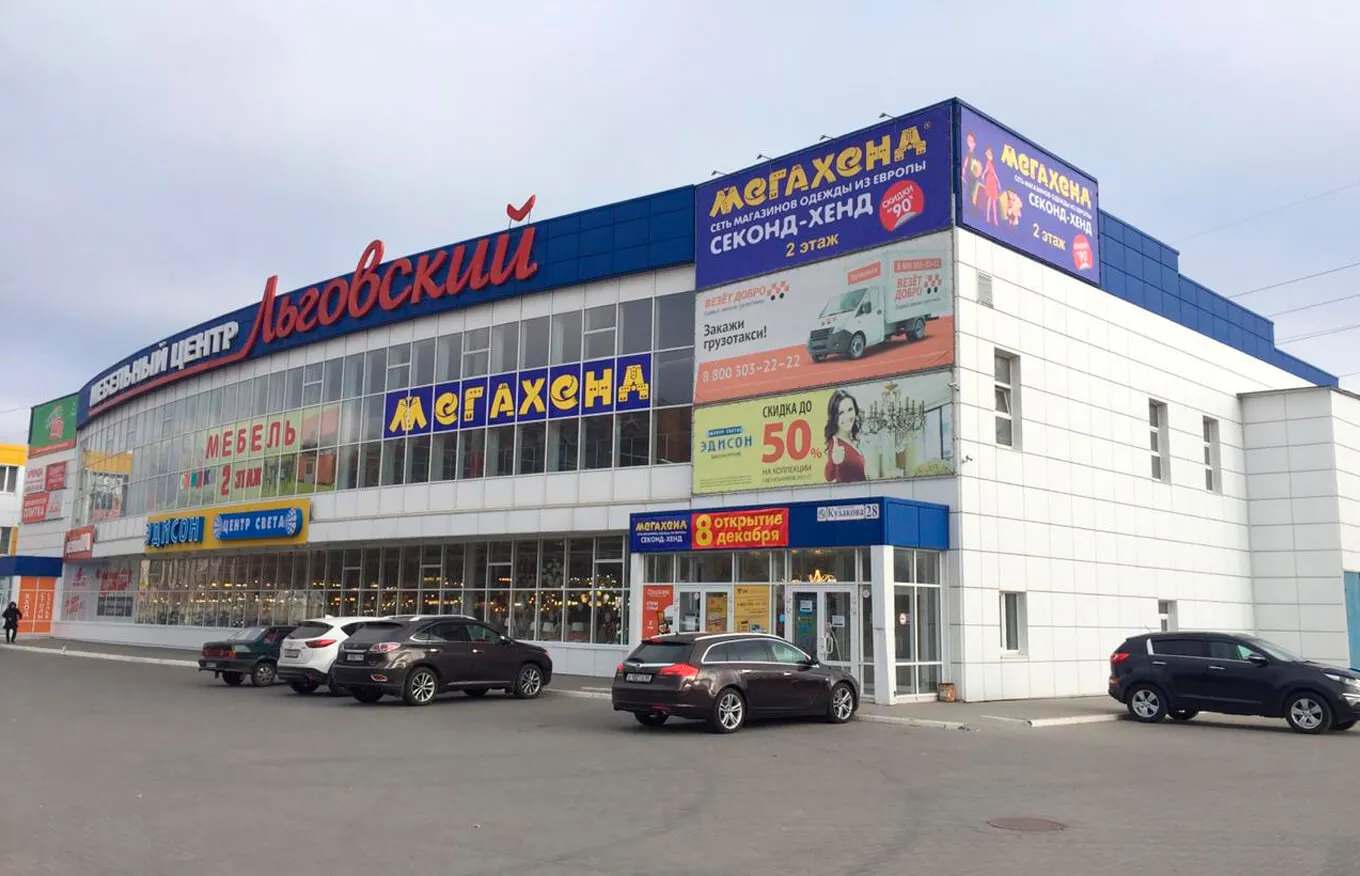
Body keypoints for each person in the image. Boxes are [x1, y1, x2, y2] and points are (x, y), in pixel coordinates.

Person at [823, 389, 867, 483]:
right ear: (835, 417)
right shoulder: (836, 444)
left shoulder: (851, 439)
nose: (847, 417)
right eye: (841, 413)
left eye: (850, 410)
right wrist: (833, 462)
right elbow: (829, 476)